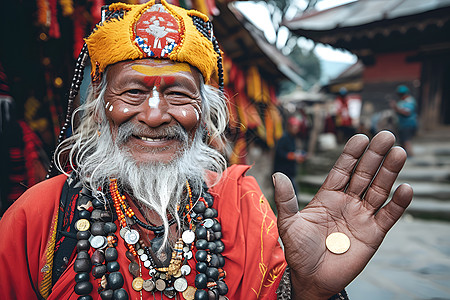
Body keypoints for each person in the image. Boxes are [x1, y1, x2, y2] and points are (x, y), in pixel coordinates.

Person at [0, 1, 413, 299]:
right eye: (133, 91)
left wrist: (309, 292)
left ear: (207, 113)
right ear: (97, 107)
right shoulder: (39, 217)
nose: (156, 114)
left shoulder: (244, 205)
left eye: (178, 94)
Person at [273, 116, 305, 195]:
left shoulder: (293, 138)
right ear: (289, 127)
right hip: (283, 171)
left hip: (290, 172)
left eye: (297, 127)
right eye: (294, 126)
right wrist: (291, 156)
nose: (296, 129)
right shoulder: (284, 138)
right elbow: (279, 152)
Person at [389, 85, 418, 157]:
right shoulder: (402, 101)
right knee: (402, 141)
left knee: (406, 141)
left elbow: (406, 112)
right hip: (401, 124)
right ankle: (403, 156)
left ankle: (410, 156)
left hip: (408, 124)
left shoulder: (409, 101)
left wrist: (396, 108)